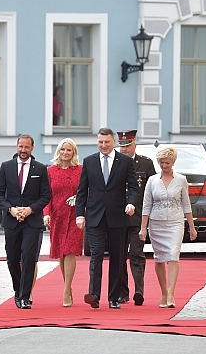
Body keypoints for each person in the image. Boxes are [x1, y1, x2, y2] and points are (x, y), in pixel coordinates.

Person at [76, 127, 139, 309]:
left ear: (114, 142)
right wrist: (80, 214)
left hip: (118, 216)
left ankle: (113, 297)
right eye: (100, 142)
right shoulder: (89, 161)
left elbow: (134, 187)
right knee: (95, 255)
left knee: (117, 258)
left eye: (107, 142)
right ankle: (94, 294)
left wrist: (132, 203)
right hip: (95, 217)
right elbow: (82, 191)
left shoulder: (125, 162)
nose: (103, 145)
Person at [0, 134, 51, 309]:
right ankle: (18, 291)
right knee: (12, 258)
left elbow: (46, 196)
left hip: (32, 221)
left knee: (28, 257)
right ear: (17, 146)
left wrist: (30, 209)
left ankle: (25, 296)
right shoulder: (6, 167)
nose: (23, 150)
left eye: (26, 147)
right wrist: (11, 209)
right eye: (21, 147)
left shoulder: (40, 169)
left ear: (32, 148)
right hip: (11, 221)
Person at [140, 145, 196, 308]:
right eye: (161, 163)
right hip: (156, 224)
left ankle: (171, 293)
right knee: (159, 259)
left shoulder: (181, 180)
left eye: (167, 163)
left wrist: (191, 227)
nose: (164, 166)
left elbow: (186, 204)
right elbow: (146, 205)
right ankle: (163, 292)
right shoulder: (152, 181)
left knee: (173, 256)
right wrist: (143, 228)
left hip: (175, 223)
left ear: (173, 162)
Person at [117, 129, 156, 306]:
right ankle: (122, 292)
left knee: (136, 254)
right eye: (121, 146)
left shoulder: (145, 164)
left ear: (134, 145)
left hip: (139, 216)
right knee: (119, 255)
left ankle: (139, 290)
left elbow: (152, 191)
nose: (124, 149)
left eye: (127, 146)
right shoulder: (114, 163)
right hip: (118, 217)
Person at [43, 138, 83, 307]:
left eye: (69, 150)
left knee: (70, 250)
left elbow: (86, 190)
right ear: (58, 152)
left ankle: (66, 290)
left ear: (73, 152)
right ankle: (68, 287)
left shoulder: (80, 170)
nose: (65, 153)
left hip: (75, 215)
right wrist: (46, 214)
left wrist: (79, 199)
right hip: (57, 215)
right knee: (61, 251)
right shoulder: (50, 171)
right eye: (63, 150)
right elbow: (46, 195)